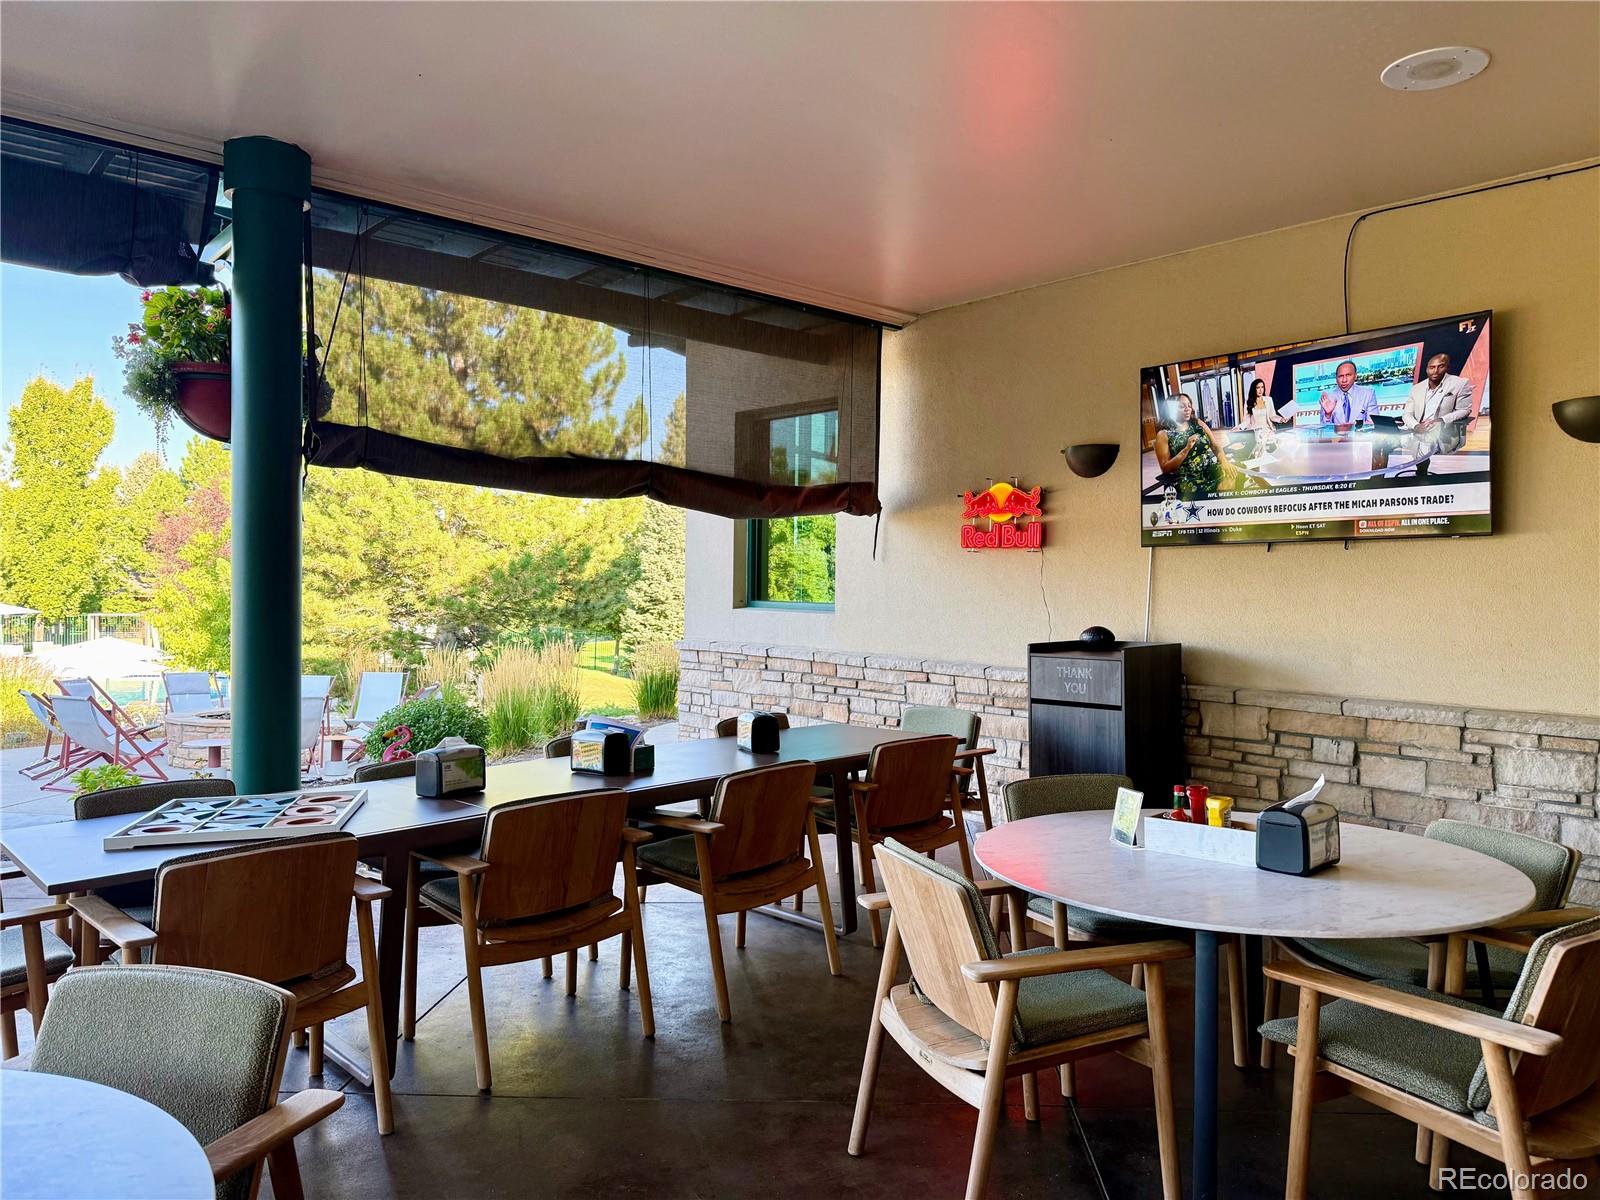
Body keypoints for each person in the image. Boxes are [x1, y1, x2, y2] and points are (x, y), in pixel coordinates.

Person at [1402, 353, 1474, 475]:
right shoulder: (1416, 388)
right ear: (1427, 369)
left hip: (1441, 429)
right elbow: (1407, 414)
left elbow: (1464, 410)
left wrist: (1442, 420)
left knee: (1424, 443)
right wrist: (1416, 425)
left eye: (1440, 366)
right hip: (1417, 428)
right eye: (1432, 367)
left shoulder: (1460, 384)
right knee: (1385, 441)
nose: (1435, 371)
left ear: (1447, 367)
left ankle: (1421, 475)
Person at [1154, 393, 1235, 498]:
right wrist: (1186, 449)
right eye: (1182, 406)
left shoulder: (1198, 423)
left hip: (1209, 469)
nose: (1187, 409)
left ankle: (1217, 502)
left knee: (1232, 472)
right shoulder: (1163, 434)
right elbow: (1166, 468)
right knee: (1218, 492)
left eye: (1189, 405)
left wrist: (1224, 462)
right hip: (1186, 478)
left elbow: (1215, 446)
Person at [1316, 360, 1380, 426]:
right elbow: (1324, 428)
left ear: (1355, 376)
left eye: (1348, 375)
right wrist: (1328, 415)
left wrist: (1352, 427)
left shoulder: (1368, 394)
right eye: (1340, 376)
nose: (1344, 380)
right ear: (1336, 379)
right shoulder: (1328, 398)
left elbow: (1373, 424)